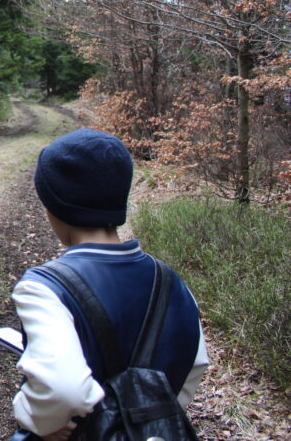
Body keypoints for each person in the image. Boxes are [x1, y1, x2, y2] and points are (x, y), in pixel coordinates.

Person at [10, 128, 208, 440]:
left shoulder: (43, 287)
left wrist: (33, 417)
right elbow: (196, 364)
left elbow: (64, 389)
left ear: (56, 206)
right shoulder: (171, 281)